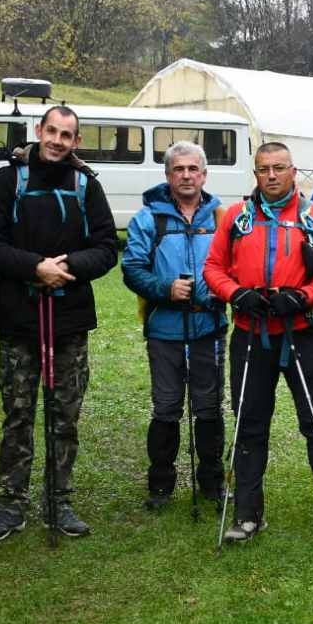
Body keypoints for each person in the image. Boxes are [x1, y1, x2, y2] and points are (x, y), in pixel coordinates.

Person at [0, 106, 119, 541]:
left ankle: (59, 500)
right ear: (39, 131)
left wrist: (68, 267)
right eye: (52, 131)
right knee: (17, 415)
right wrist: (34, 267)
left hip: (69, 322)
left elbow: (106, 248)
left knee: (64, 417)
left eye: (67, 135)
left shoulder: (86, 185)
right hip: (19, 320)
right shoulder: (6, 181)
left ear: (76, 141)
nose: (57, 140)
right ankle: (11, 502)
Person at [205, 142, 313, 542]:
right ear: (255, 173)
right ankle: (247, 514)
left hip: (302, 333)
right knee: (249, 423)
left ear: (293, 171)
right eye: (264, 169)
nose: (271, 175)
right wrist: (237, 294)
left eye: (279, 168)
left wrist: (306, 296)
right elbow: (213, 267)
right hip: (251, 333)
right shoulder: (237, 217)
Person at [120, 141, 227, 510]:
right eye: (178, 169)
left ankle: (212, 481)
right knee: (166, 407)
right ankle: (160, 485)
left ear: (204, 175)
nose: (186, 175)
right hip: (164, 329)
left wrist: (218, 291)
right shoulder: (148, 218)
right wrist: (165, 289)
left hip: (209, 326)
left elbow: (233, 266)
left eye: (193, 169)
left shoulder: (220, 217)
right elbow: (132, 269)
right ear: (167, 175)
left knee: (209, 407)